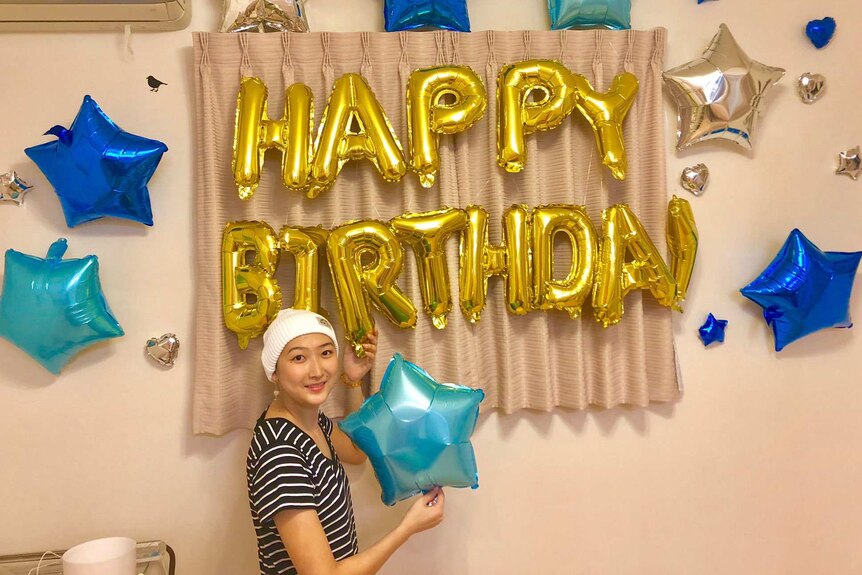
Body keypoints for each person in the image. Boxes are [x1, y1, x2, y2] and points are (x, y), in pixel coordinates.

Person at [247, 309, 445, 575]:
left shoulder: (312, 422)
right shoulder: (280, 455)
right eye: (299, 358)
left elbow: (355, 451)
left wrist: (352, 381)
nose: (317, 370)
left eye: (326, 353)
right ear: (274, 372)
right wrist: (407, 528)